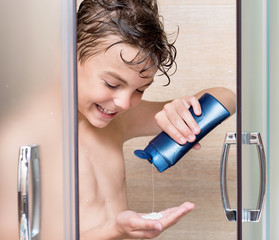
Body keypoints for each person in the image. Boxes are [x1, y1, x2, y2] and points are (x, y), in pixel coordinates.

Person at [77, 0, 236, 239]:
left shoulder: (118, 120)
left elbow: (228, 98)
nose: (124, 102)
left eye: (140, 90)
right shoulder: (31, 134)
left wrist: (182, 112)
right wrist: (114, 230)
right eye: (112, 83)